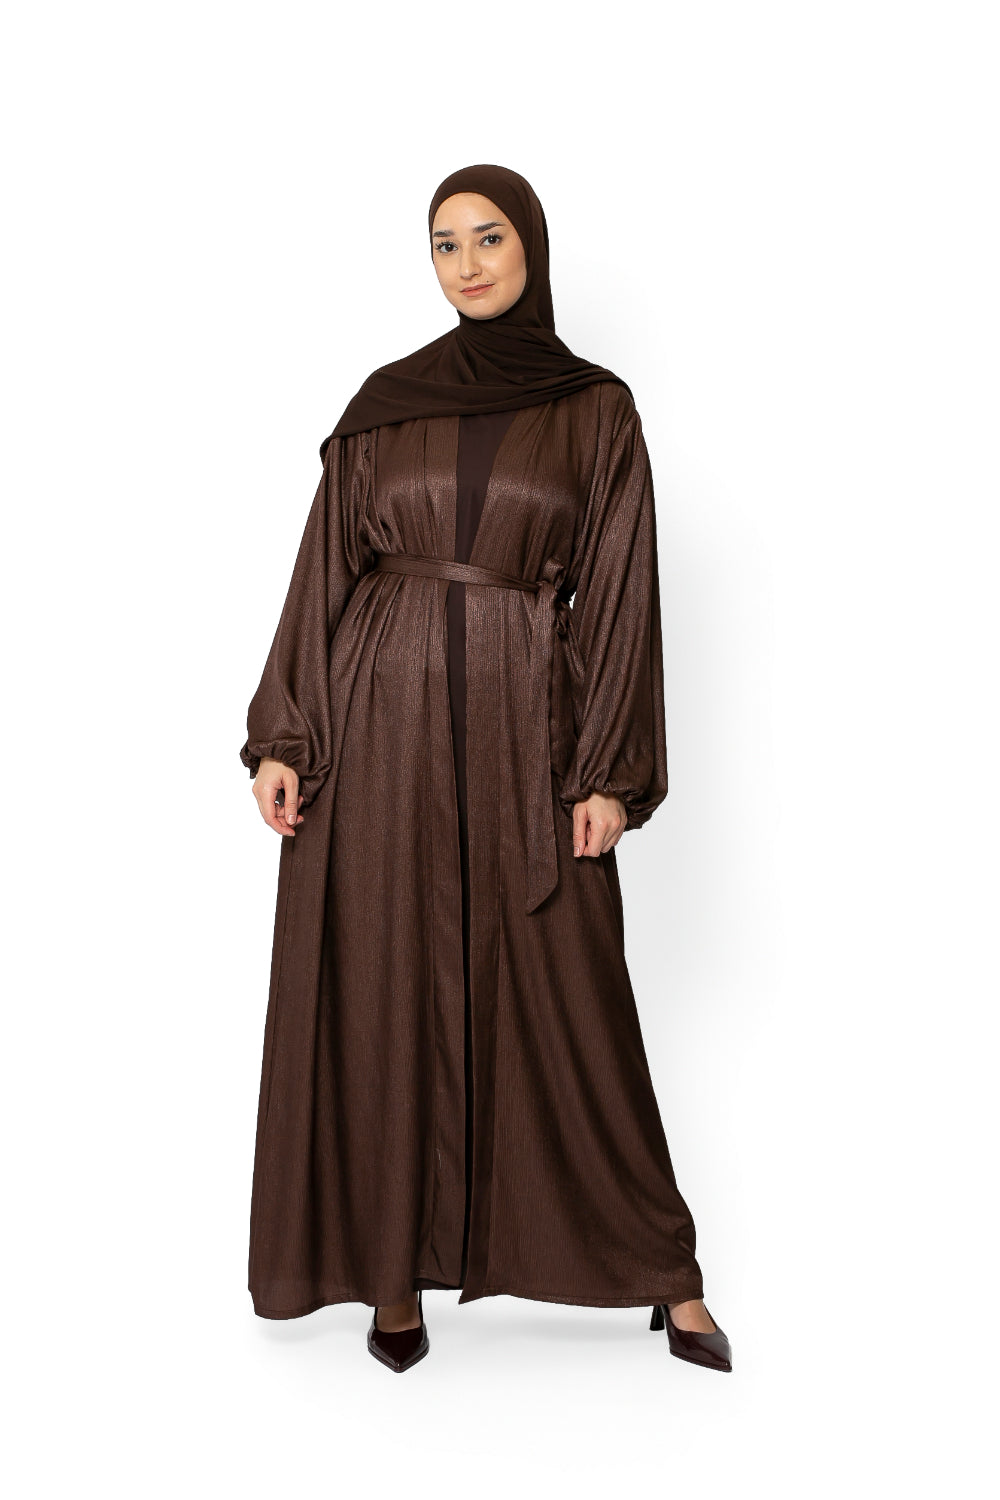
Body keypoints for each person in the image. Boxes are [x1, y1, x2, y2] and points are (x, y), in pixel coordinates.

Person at [239, 163, 732, 1375]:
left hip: (526, 728)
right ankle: (391, 1281)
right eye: (444, 243)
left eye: (488, 237)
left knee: (573, 992)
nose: (466, 264)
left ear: (531, 246)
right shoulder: (384, 404)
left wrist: (607, 771)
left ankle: (663, 1273)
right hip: (379, 727)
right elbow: (325, 571)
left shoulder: (594, 411)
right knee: (383, 989)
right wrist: (285, 737)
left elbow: (619, 593)